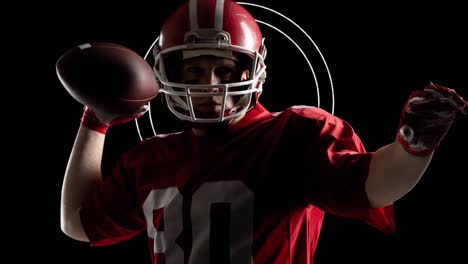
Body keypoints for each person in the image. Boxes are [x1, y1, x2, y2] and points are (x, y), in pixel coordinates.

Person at [60, 0, 468, 263]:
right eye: (195, 70)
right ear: (166, 72)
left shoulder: (295, 133)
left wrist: (414, 143)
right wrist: (95, 121)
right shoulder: (150, 157)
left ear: (253, 69)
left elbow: (374, 184)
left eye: (225, 69)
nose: (213, 84)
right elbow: (78, 224)